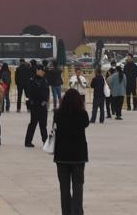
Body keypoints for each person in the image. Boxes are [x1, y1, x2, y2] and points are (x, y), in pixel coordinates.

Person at [53, 87, 89, 215]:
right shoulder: (82, 114)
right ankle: (77, 212)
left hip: (61, 156)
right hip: (78, 156)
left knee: (64, 188)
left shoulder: (57, 114)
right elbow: (86, 124)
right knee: (78, 186)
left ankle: (66, 212)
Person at [23, 61, 50, 147]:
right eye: (42, 70)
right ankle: (28, 141)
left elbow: (47, 92)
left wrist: (45, 100)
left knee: (43, 125)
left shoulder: (45, 80)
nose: (43, 72)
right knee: (33, 123)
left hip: (43, 105)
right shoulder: (32, 80)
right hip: (35, 105)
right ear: (38, 71)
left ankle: (45, 142)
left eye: (43, 71)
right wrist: (31, 102)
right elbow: (30, 93)